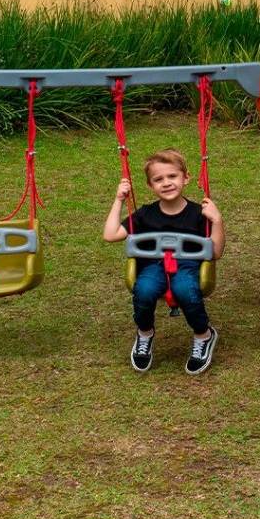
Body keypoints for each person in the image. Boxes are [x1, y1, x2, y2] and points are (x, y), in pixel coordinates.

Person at [103, 148, 224, 374]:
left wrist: (216, 221)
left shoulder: (200, 214)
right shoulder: (145, 215)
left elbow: (215, 252)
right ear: (150, 186)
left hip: (187, 266)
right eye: (158, 179)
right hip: (153, 266)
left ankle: (203, 335)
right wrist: (119, 199)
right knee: (145, 290)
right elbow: (110, 235)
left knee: (186, 289)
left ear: (186, 178)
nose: (166, 183)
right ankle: (145, 333)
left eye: (172, 176)